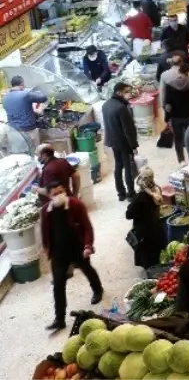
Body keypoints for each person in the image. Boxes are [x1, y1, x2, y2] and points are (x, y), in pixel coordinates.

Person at [41, 181, 104, 331]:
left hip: (77, 247)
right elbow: (45, 231)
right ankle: (59, 318)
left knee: (86, 268)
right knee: (58, 284)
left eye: (61, 192)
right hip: (58, 252)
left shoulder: (76, 205)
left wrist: (88, 245)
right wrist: (46, 248)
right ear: (49, 196)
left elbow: (87, 227)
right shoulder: (45, 211)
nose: (58, 196)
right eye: (55, 194)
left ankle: (97, 289)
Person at [161, 61, 189, 163]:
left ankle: (181, 160)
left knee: (178, 138)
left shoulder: (170, 85)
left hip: (176, 117)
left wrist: (167, 119)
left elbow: (168, 104)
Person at [102, 82, 139, 201]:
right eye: (126, 91)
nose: (128, 94)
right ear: (119, 92)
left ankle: (121, 193)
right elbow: (127, 130)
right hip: (124, 142)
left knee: (118, 166)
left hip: (112, 141)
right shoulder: (121, 108)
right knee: (128, 166)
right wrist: (133, 145)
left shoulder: (106, 105)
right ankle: (131, 193)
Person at [125, 167, 166, 271]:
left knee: (148, 259)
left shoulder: (141, 197)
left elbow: (128, 215)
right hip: (157, 227)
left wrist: (131, 206)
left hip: (144, 233)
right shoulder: (157, 189)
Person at [3, 75, 47, 149]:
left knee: (21, 154)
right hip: (28, 130)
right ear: (22, 84)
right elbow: (43, 98)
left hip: (13, 131)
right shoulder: (25, 95)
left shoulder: (5, 97)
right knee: (35, 151)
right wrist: (34, 92)